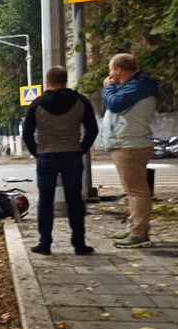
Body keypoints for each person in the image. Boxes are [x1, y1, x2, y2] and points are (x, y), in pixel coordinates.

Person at [23, 66, 98, 256]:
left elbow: (27, 134)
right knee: (75, 200)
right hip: (72, 155)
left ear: (48, 82)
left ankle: (45, 244)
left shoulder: (37, 104)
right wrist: (81, 148)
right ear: (65, 80)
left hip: (46, 156)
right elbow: (92, 129)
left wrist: (37, 152)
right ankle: (79, 244)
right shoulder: (80, 101)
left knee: (45, 200)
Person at [102, 53, 157, 248]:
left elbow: (115, 104)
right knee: (134, 190)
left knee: (137, 191)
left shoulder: (138, 86)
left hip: (130, 144)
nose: (110, 75)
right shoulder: (133, 86)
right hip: (128, 142)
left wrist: (107, 88)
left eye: (111, 70)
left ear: (118, 70)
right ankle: (134, 227)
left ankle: (138, 233)